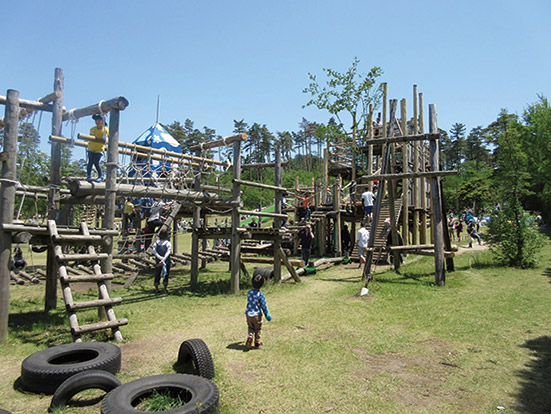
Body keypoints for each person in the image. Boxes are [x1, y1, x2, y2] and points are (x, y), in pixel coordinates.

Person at [245, 273, 272, 349]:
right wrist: (267, 314)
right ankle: (257, 343)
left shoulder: (249, 292)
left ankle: (250, 335)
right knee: (257, 329)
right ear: (262, 284)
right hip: (257, 315)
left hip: (248, 314)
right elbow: (263, 305)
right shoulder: (260, 294)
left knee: (250, 327)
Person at [87, 114, 109, 182]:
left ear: (103, 121)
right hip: (91, 147)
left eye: (99, 120)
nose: (97, 122)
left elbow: (106, 138)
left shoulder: (105, 130)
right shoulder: (93, 129)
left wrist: (105, 140)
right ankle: (88, 176)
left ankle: (100, 175)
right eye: (96, 120)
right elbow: (92, 136)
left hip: (99, 148)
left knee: (96, 162)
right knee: (90, 162)